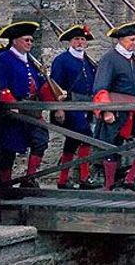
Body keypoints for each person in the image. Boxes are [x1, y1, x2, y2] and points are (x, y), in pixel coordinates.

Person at [0, 21, 61, 188]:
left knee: (41, 140)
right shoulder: (4, 58)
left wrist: (55, 101)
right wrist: (11, 104)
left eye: (31, 40)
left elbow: (39, 83)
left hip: (32, 109)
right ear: (15, 41)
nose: (30, 43)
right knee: (9, 148)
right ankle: (5, 184)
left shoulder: (29, 60)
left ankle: (29, 178)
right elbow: (0, 84)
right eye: (26, 40)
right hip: (13, 110)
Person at [93, 22, 135, 191]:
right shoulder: (110, 58)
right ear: (121, 40)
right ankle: (109, 185)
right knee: (111, 146)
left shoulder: (134, 61)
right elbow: (100, 87)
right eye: (132, 40)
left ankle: (130, 178)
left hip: (133, 108)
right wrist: (106, 110)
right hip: (115, 108)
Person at [51, 24, 101, 190]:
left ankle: (64, 179)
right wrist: (59, 108)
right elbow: (54, 86)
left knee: (73, 141)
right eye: (76, 39)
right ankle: (83, 177)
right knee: (86, 134)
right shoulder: (61, 60)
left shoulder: (88, 61)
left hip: (86, 105)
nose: (80, 42)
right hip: (69, 105)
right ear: (70, 42)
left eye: (82, 39)